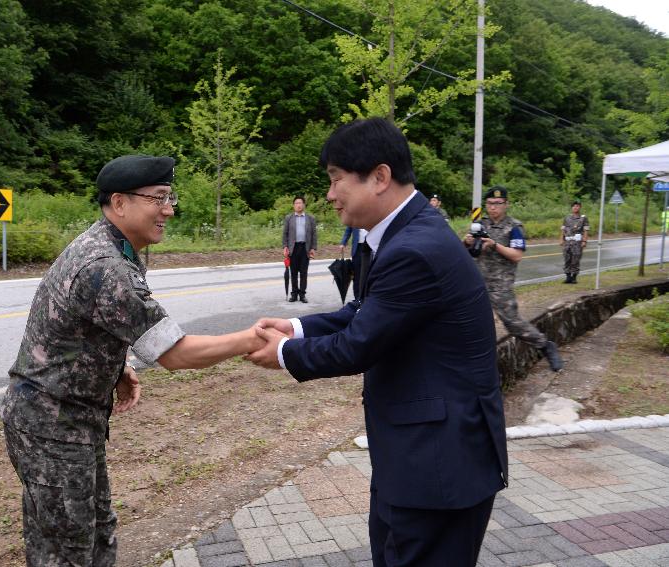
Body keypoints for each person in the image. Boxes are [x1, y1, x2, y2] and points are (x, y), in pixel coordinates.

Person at [247, 118, 508, 567]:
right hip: (415, 460)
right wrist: (299, 327)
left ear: (380, 177)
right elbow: (367, 312)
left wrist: (285, 354)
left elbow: (359, 345)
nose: (329, 194)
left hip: (440, 467)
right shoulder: (401, 234)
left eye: (335, 180)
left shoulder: (415, 248)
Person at [0, 155, 264, 567]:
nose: (169, 210)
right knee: (66, 551)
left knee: (97, 530)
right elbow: (174, 354)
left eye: (169, 197)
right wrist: (252, 338)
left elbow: (76, 326)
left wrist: (117, 365)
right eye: (158, 198)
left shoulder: (112, 246)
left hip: (71, 420)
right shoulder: (105, 267)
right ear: (119, 203)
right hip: (51, 426)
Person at [464, 186, 563, 371]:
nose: (493, 207)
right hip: (477, 282)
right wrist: (467, 242)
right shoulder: (480, 224)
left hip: (500, 285)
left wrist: (494, 245)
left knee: (513, 324)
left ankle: (545, 345)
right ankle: (475, 362)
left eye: (498, 203)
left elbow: (516, 255)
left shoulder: (514, 227)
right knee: (469, 321)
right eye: (490, 203)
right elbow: (470, 252)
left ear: (506, 204)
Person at [282, 196, 317, 303]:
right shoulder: (289, 218)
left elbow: (314, 234)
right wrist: (285, 247)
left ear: (304, 205)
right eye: (296, 203)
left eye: (300, 203)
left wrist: (313, 248)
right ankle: (294, 294)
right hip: (293, 248)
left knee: (303, 272)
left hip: (305, 248)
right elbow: (285, 233)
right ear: (294, 205)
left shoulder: (310, 218)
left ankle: (302, 294)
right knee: (293, 272)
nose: (299, 205)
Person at [560, 200, 589, 284]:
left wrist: (584, 241)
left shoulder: (583, 218)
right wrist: (561, 239)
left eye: (577, 206)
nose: (575, 207)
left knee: (576, 259)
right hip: (568, 241)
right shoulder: (567, 218)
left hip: (577, 242)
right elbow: (563, 229)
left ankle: (574, 277)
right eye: (574, 206)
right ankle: (568, 277)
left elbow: (586, 230)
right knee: (567, 259)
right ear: (571, 207)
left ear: (580, 207)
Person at [339, 226, 368, 300]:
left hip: (369, 247)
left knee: (368, 274)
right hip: (357, 248)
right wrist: (343, 243)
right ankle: (357, 297)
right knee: (357, 275)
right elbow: (348, 231)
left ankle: (367, 297)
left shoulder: (371, 215)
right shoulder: (354, 216)